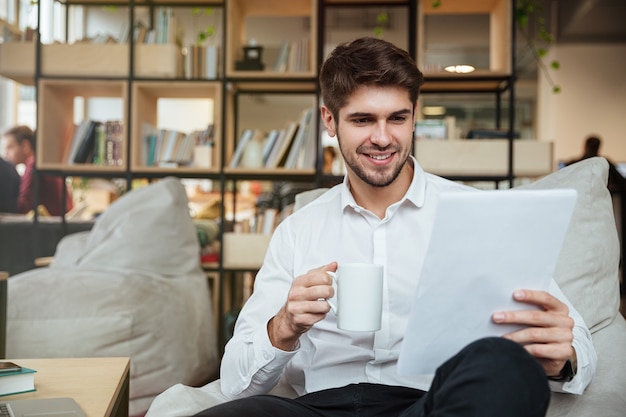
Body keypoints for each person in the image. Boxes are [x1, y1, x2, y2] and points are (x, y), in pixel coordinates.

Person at [194, 37, 596, 417]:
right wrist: (283, 327)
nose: (383, 138)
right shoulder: (298, 230)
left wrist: (564, 358)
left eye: (397, 118)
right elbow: (234, 382)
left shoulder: (477, 212)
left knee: (505, 365)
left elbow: (577, 343)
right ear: (330, 121)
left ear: (415, 116)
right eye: (363, 119)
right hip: (321, 406)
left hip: (432, 402)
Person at [2, 125, 73, 216]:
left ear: (25, 146)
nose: (5, 153)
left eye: (10, 147)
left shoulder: (33, 165)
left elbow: (23, 207)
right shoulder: (43, 162)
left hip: (50, 224)